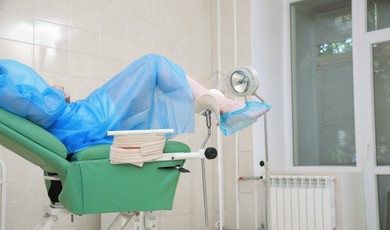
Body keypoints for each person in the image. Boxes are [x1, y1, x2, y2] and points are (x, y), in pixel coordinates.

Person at [0, 54, 270, 154]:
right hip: (81, 122)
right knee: (152, 64)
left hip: (78, 122)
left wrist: (54, 93)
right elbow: (45, 110)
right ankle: (222, 106)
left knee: (153, 77)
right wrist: (57, 93)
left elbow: (35, 107)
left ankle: (220, 104)